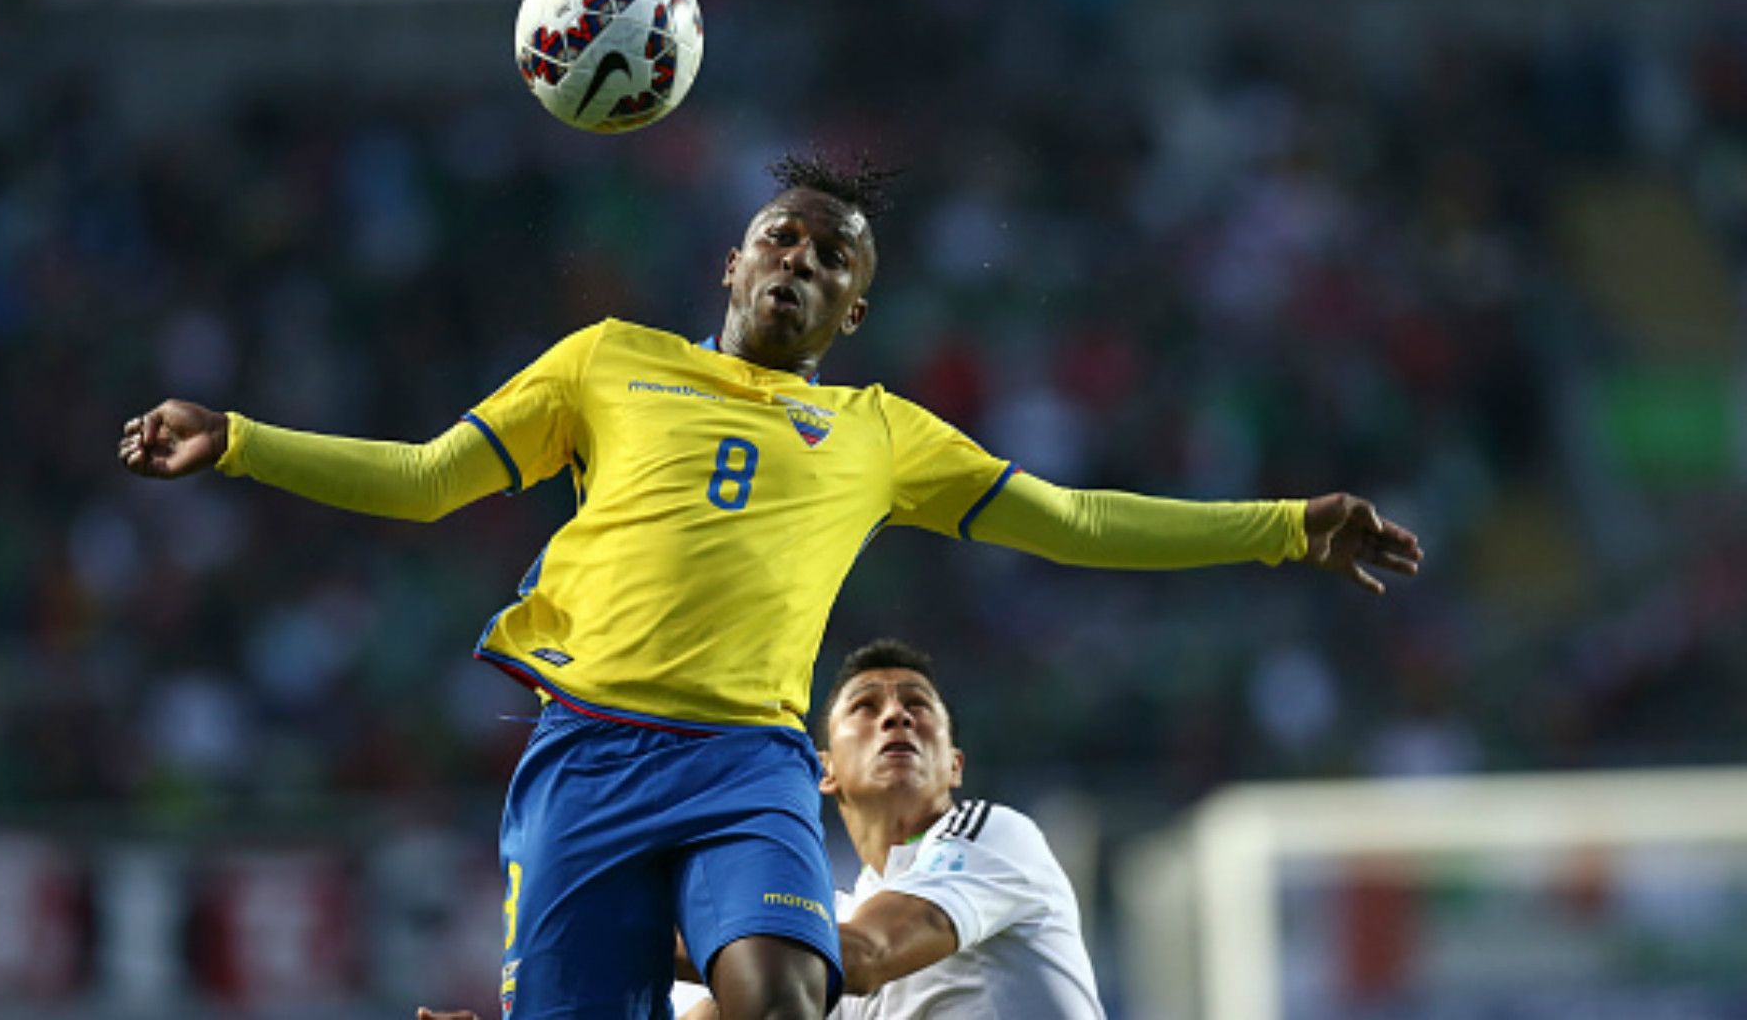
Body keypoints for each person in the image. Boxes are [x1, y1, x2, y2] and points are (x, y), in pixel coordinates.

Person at [118, 154, 1422, 1020]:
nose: (801, 258)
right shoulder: (607, 361)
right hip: (583, 757)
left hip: (749, 760)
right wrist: (239, 440)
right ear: (732, 268)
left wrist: (1281, 529)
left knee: (784, 993)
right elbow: (423, 479)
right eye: (779, 238)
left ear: (853, 310)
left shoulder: (877, 431)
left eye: (833, 256)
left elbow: (1073, 519)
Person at [671, 638, 1106, 1019]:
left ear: (954, 766)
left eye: (918, 704)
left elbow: (867, 954)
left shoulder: (997, 836)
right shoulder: (831, 922)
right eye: (865, 706)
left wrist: (645, 939)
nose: (897, 715)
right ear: (824, 771)